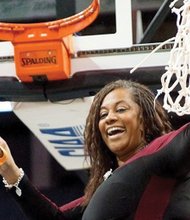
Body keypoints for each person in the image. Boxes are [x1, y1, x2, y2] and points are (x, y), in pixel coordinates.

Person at [0, 79, 190, 219]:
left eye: (121, 109)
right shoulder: (103, 190)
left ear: (146, 121)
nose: (109, 118)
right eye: (103, 114)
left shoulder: (162, 153)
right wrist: (10, 172)